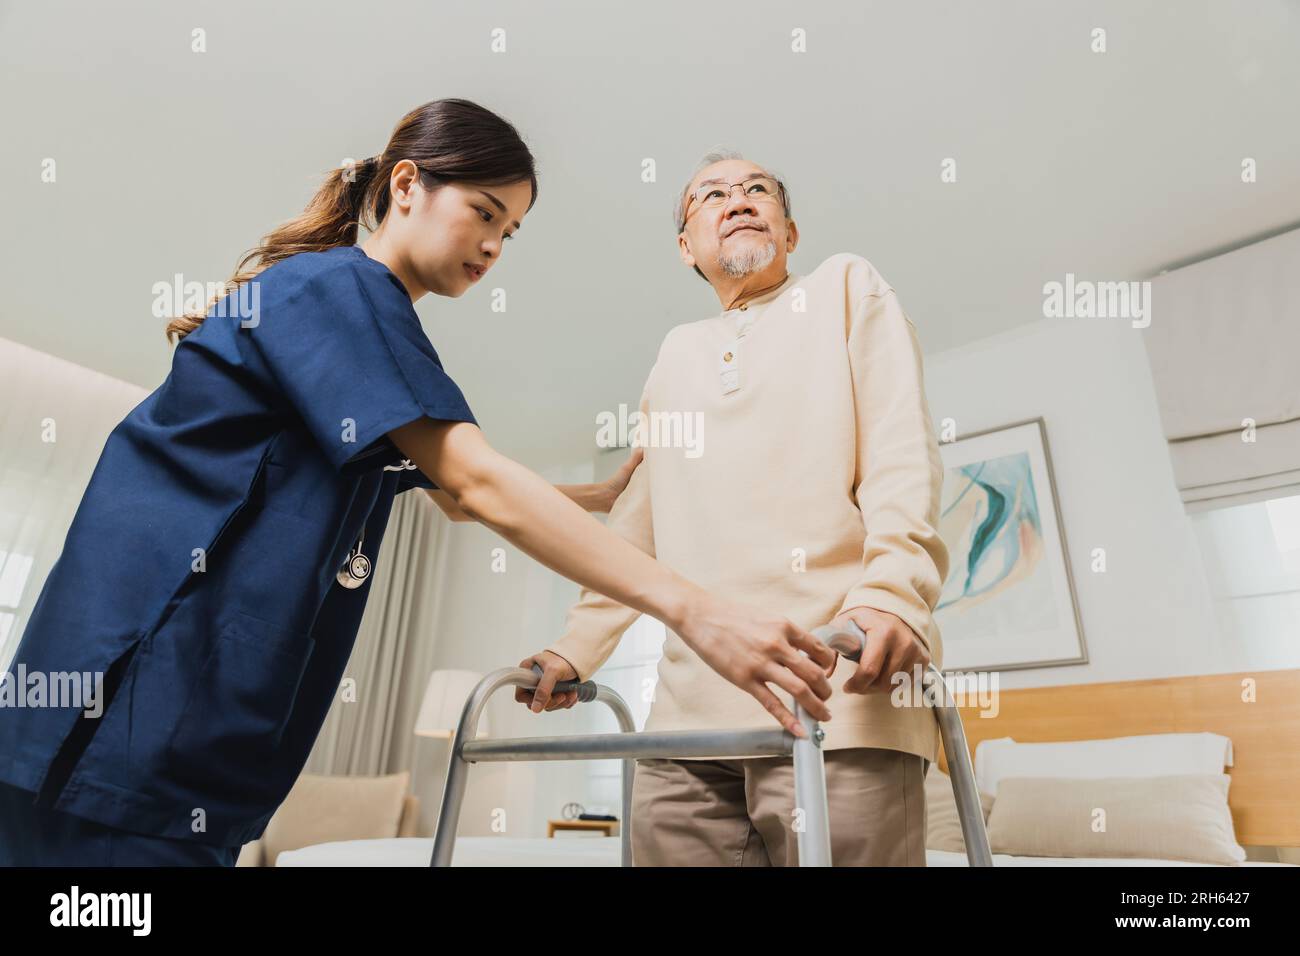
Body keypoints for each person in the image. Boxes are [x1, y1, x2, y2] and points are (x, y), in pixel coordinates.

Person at [0, 103, 836, 867]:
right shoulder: (339, 288)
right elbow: (470, 483)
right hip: (130, 719)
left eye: (509, 232)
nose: (494, 248)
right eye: (484, 213)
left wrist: (597, 496)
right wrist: (696, 609)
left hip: (179, 744)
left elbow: (437, 488)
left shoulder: (356, 319)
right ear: (407, 185)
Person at [518, 150, 950, 867]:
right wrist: (578, 647)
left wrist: (896, 594)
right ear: (686, 246)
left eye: (759, 191)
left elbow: (902, 449)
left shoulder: (848, 287)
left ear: (791, 231)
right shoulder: (675, 353)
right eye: (711, 195)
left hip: (837, 688)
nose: (740, 200)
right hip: (685, 722)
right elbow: (635, 528)